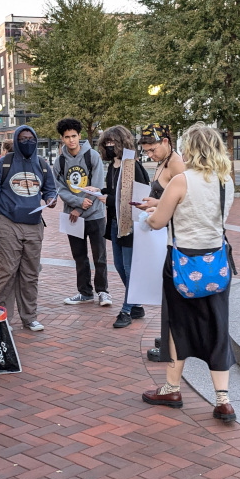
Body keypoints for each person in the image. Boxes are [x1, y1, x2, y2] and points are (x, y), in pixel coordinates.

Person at [139, 123, 236, 423]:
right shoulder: (225, 181)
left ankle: (172, 388)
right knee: (218, 327)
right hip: (216, 263)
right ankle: (223, 400)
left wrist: (149, 215)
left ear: (191, 148)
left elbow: (157, 222)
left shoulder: (181, 181)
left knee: (176, 325)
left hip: (181, 263)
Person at [0, 125, 58, 331]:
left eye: (31, 138)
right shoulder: (4, 163)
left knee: (30, 273)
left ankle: (29, 317)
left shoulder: (42, 164)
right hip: (7, 223)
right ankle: (1, 318)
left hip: (33, 224)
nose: (28, 142)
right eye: (23, 138)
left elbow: (49, 188)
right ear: (15, 140)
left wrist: (51, 198)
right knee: (7, 272)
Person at [90, 125, 150, 328]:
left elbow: (138, 197)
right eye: (105, 143)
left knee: (129, 268)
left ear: (122, 143)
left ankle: (126, 309)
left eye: (112, 143)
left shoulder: (133, 166)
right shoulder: (113, 166)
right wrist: (99, 191)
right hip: (115, 222)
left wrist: (106, 199)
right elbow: (113, 191)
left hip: (131, 224)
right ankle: (137, 304)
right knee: (118, 266)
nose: (108, 146)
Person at [138, 123, 185, 359]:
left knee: (171, 291)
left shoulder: (176, 163)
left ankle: (172, 343)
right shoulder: (163, 161)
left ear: (166, 141)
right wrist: (155, 203)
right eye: (146, 151)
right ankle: (168, 335)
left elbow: (186, 199)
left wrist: (158, 205)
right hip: (163, 233)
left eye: (152, 149)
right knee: (166, 290)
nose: (150, 155)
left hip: (172, 234)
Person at [53, 118, 111, 307]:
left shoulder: (92, 156)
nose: (71, 140)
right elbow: (60, 189)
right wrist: (77, 204)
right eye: (67, 137)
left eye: (74, 136)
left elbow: (96, 186)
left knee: (100, 257)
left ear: (80, 136)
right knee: (79, 257)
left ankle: (103, 291)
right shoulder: (60, 162)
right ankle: (85, 292)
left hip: (95, 214)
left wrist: (80, 208)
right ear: (62, 139)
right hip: (72, 217)